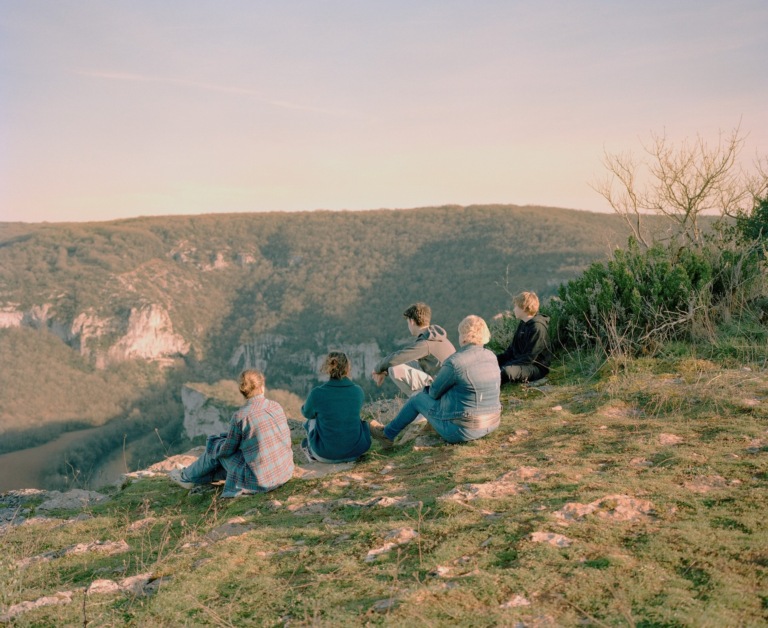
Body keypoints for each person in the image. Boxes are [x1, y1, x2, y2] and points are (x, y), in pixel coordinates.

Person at [370, 315, 501, 446]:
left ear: (464, 337)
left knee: (417, 399)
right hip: (492, 422)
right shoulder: (491, 356)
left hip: (461, 430)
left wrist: (423, 392)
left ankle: (387, 434)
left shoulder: (456, 362)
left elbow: (434, 393)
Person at [169, 369, 294, 497]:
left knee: (215, 449)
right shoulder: (276, 406)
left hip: (259, 481)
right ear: (262, 387)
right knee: (222, 454)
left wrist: (214, 444)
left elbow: (227, 451)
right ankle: (191, 473)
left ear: (242, 391)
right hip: (284, 472)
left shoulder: (241, 416)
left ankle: (186, 477)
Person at [371, 302, 456, 396]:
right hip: (448, 385)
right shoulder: (436, 337)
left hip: (442, 389)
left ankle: (418, 401)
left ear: (412, 321)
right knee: (401, 363)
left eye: (407, 322)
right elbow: (405, 360)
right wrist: (384, 371)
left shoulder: (426, 343)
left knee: (394, 369)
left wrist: (377, 369)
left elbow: (399, 357)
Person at [301, 351, 371, 463]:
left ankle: (311, 452)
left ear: (327, 368)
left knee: (311, 419)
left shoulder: (317, 393)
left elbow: (306, 413)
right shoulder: (358, 391)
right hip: (355, 453)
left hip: (326, 455)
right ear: (347, 368)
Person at [496, 291, 551, 384]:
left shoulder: (537, 327)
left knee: (506, 371)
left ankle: (488, 386)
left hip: (535, 367)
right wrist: (496, 361)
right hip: (520, 362)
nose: (514, 309)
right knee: (492, 362)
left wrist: (505, 366)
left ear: (524, 308)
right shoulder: (523, 323)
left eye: (516, 306)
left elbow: (529, 358)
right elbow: (512, 350)